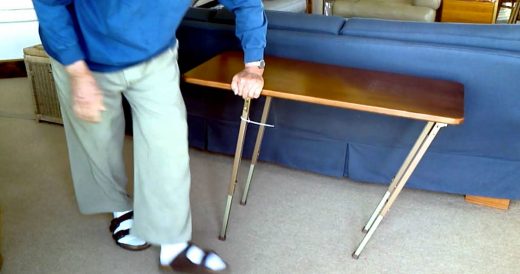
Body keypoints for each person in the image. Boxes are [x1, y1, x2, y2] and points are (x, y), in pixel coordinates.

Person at [32, 0, 267, 273]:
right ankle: (119, 208)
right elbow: (49, 4)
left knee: (168, 141)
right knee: (97, 139)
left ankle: (173, 245)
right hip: (83, 54)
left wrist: (253, 65)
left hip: (154, 52)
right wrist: (77, 72)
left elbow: (247, 3)